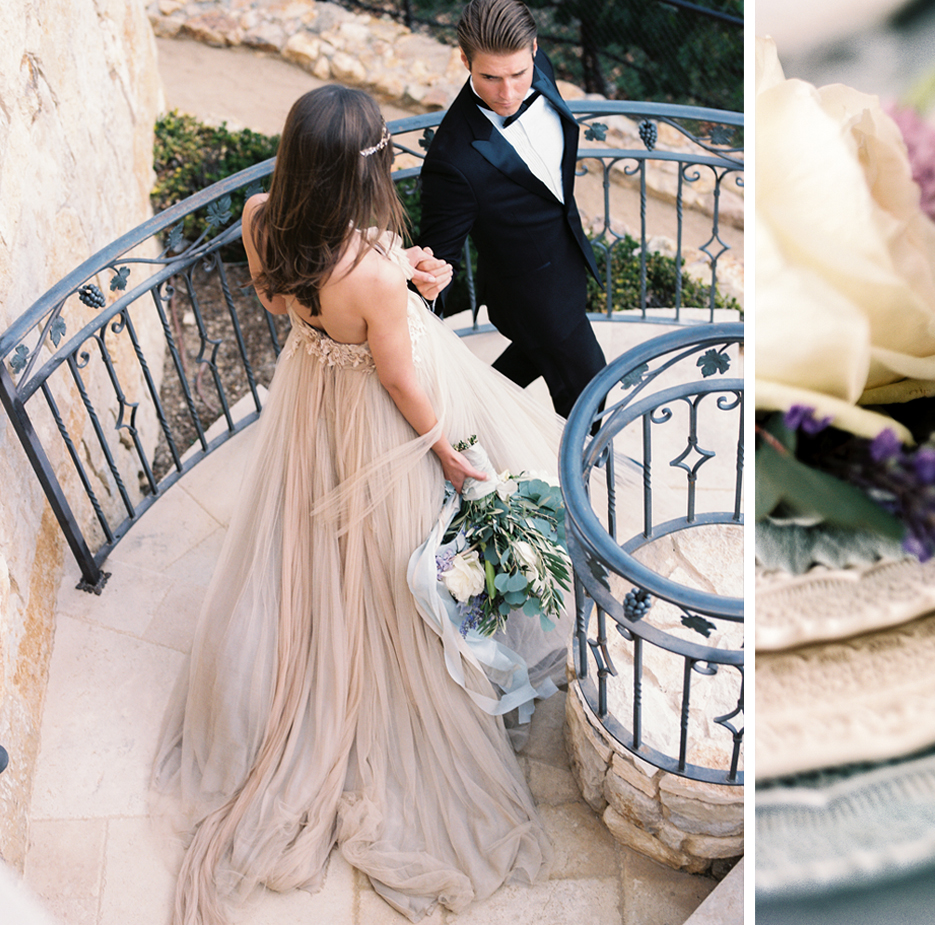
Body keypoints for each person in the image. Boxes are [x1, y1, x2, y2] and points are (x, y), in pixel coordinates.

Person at [152, 84, 569, 925]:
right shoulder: (371, 270)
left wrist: (409, 275)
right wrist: (447, 449)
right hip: (377, 422)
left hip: (312, 400)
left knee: (309, 546)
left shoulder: (264, 215)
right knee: (398, 563)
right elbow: (399, 375)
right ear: (360, 171)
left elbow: (283, 300)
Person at [418, 0, 605, 418]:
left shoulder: (543, 70)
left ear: (535, 50)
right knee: (590, 386)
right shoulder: (452, 162)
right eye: (490, 77)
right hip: (531, 298)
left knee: (528, 361)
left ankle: (475, 416)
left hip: (567, 258)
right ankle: (576, 477)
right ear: (464, 60)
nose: (508, 93)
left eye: (518, 74)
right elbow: (433, 264)